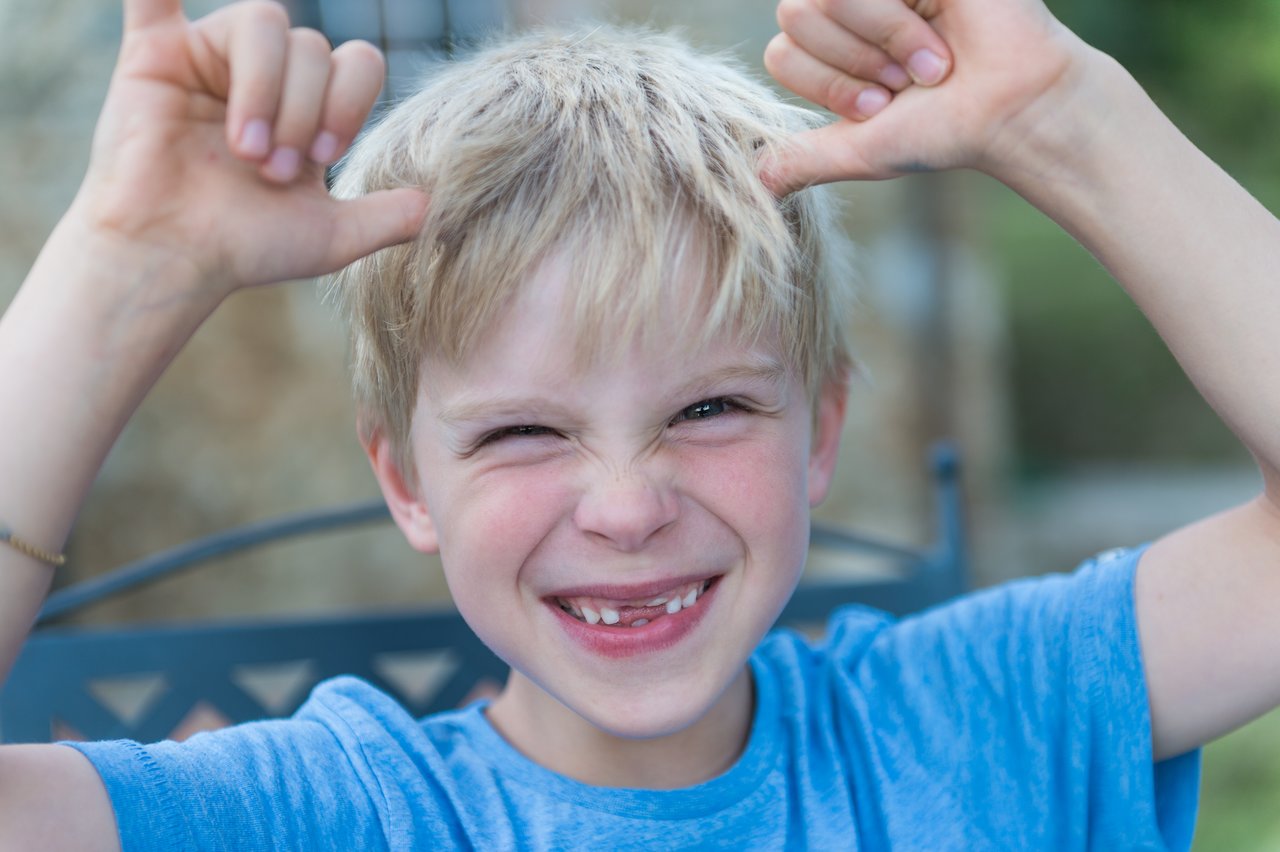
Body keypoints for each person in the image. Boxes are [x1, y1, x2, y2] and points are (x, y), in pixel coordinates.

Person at [0, 0, 1277, 846]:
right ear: (403, 479)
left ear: (819, 430)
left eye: (710, 407)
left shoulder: (979, 719)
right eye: (520, 433)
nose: (625, 507)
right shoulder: (333, 814)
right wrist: (120, 266)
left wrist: (1069, 118)